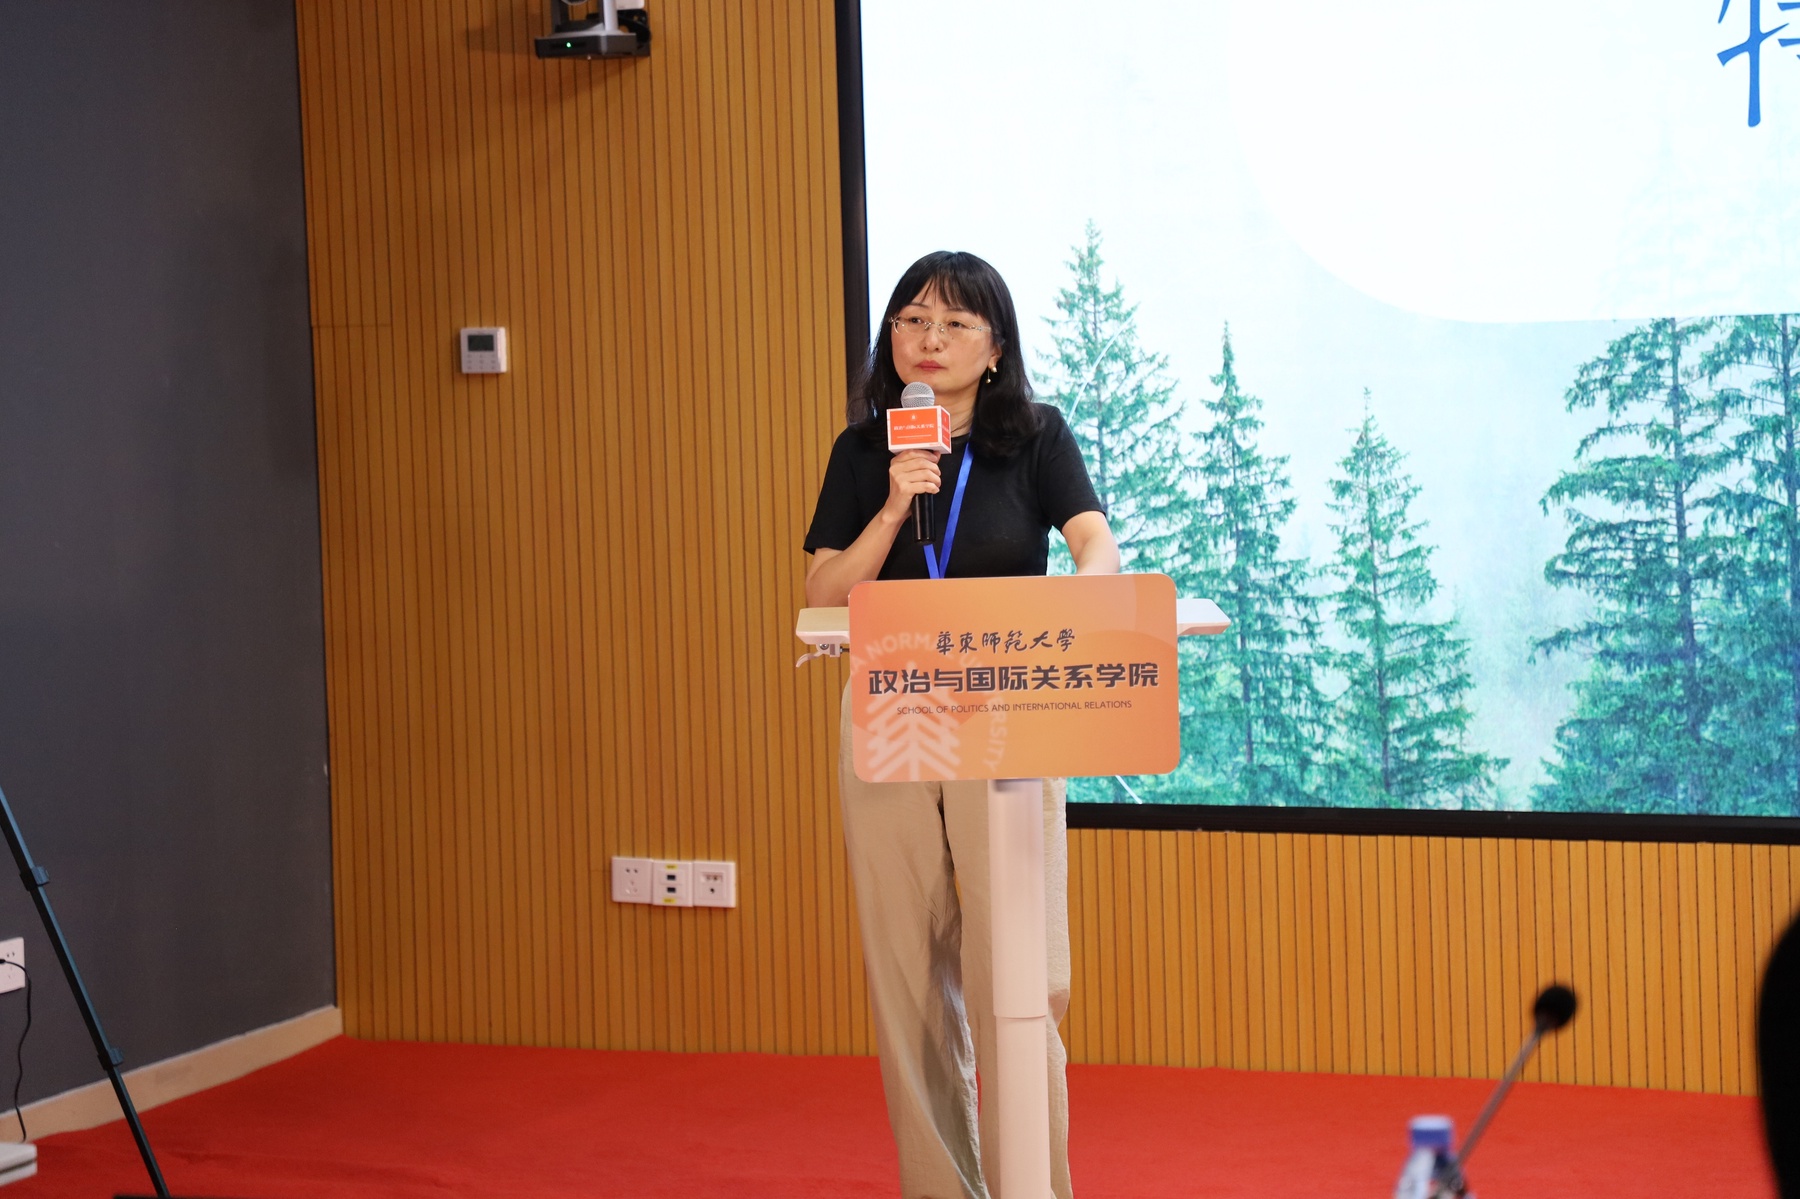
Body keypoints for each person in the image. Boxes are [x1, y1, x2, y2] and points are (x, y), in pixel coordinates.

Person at [803, 250, 1120, 1199]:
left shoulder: (1036, 436)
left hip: (1007, 707)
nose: (928, 339)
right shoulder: (864, 452)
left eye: (953, 323)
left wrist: (1088, 599)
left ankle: (1033, 1189)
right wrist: (897, 501)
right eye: (911, 320)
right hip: (890, 705)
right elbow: (823, 594)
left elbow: (1094, 543)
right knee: (908, 976)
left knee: (1018, 974)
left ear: (996, 347)